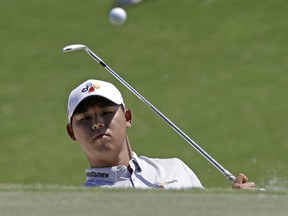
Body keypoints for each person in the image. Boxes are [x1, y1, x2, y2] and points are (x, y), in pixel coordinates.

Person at [66, 79, 256, 189]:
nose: (97, 123)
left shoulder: (174, 170)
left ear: (128, 117)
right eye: (85, 118)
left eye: (106, 113)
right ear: (71, 132)